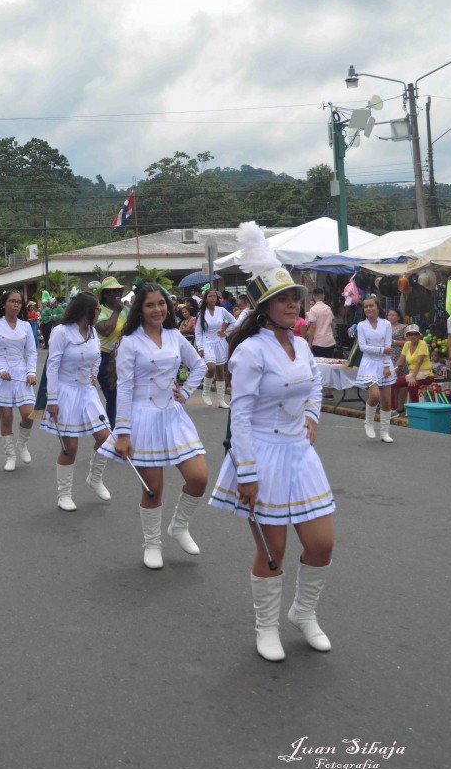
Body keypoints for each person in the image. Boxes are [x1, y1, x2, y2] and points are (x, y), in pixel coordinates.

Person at [208, 221, 334, 662]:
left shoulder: (300, 345)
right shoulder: (250, 351)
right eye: (282, 298)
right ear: (263, 307)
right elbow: (239, 415)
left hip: (300, 455)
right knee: (273, 550)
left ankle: (304, 611)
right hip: (261, 455)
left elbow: (315, 383)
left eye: (294, 297)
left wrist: (313, 416)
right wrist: (247, 471)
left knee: (321, 544)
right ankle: (266, 627)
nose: (290, 303)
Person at [99, 283, 208, 569]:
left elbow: (199, 366)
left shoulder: (174, 336)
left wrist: (184, 393)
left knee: (198, 478)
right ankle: (152, 544)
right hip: (141, 417)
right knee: (153, 488)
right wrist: (122, 433)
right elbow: (123, 387)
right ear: (140, 309)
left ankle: (179, 525)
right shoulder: (130, 342)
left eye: (161, 303)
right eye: (150, 305)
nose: (158, 309)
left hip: (172, 415)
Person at [40, 293, 111, 510]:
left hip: (87, 391)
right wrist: (52, 399)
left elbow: (97, 356)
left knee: (106, 439)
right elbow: (52, 365)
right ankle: (64, 495)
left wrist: (94, 374)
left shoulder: (92, 332)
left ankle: (94, 477)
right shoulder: (61, 331)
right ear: (85, 310)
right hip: (65, 390)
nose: (99, 313)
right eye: (96, 309)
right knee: (69, 447)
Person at [0, 290, 37, 471]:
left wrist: (31, 372)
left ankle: (22, 443)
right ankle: (10, 455)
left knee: (29, 415)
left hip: (21, 374)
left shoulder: (26, 326)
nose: (16, 305)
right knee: (6, 417)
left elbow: (32, 352)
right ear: (3, 304)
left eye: (19, 302)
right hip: (2, 374)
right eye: (12, 301)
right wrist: (0, 369)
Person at [356, 295, 395, 442]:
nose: (368, 309)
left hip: (384, 364)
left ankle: (384, 432)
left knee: (386, 401)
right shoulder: (361, 325)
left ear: (378, 308)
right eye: (366, 306)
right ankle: (368, 421)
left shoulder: (386, 324)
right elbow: (363, 347)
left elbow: (388, 346)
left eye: (371, 305)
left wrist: (386, 365)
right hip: (369, 364)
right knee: (375, 395)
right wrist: (381, 350)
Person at [95, 276, 129, 428]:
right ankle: (113, 431)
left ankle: (124, 428)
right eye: (112, 291)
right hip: (105, 358)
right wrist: (116, 311)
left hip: (122, 357)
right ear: (104, 294)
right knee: (112, 397)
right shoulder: (99, 312)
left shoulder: (124, 310)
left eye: (119, 291)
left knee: (124, 396)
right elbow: (107, 330)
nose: (117, 293)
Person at [194, 288, 235, 408]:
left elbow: (233, 322)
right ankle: (205, 393)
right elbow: (198, 332)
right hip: (207, 342)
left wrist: (225, 333)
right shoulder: (201, 313)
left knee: (220, 371)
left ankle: (221, 400)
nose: (213, 298)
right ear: (206, 299)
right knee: (211, 367)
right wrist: (200, 348)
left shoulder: (221, 310)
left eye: (215, 296)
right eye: (210, 296)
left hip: (219, 342)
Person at [393, 324, 433, 414]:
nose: (413, 336)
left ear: (419, 335)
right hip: (413, 374)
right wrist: (393, 372)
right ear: (406, 336)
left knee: (412, 384)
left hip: (425, 374)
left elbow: (419, 362)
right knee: (391, 383)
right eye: (410, 334)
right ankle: (391, 408)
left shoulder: (422, 344)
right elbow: (400, 361)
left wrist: (413, 377)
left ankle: (416, 409)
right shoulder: (406, 344)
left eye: (415, 334)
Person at [306, 289, 336, 357]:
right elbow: (332, 324)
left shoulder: (313, 310)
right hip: (330, 342)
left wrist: (310, 342)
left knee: (318, 364)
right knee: (328, 364)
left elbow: (312, 327)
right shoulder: (328, 308)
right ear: (323, 296)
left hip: (318, 343)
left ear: (313, 296)